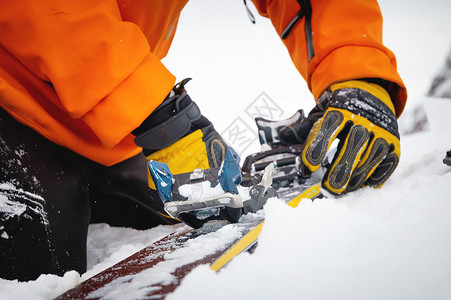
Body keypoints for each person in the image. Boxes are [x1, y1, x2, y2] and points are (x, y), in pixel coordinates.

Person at [0, 0, 406, 281]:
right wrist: (159, 116)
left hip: (101, 115)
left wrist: (358, 73)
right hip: (10, 90)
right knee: (34, 268)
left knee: (173, 213)